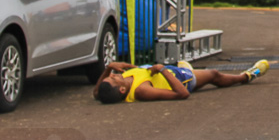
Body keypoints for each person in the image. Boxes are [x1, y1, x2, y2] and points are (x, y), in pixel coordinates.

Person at [93, 59, 268, 103]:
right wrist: (162, 69)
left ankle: (187, 68)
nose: (114, 75)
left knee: (183, 65)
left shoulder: (120, 80)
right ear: (122, 91)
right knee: (213, 74)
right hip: (182, 80)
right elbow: (181, 94)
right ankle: (246, 76)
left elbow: (96, 93)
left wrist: (109, 67)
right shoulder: (141, 90)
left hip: (170, 71)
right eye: (113, 78)